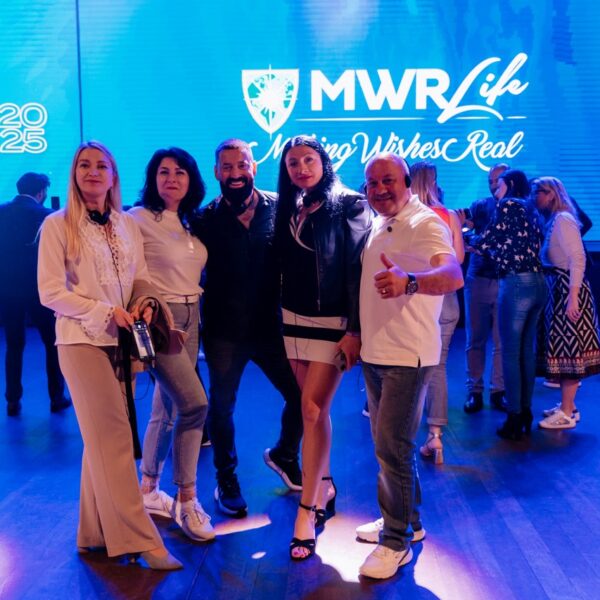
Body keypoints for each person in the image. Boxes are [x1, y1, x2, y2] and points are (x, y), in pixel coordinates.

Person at [37, 141, 182, 570]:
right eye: (84, 165)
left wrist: (144, 304)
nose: (93, 171)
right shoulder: (57, 224)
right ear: (74, 173)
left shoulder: (126, 224)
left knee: (99, 440)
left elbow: (141, 278)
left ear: (113, 176)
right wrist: (104, 311)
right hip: (80, 341)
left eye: (102, 165)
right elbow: (49, 292)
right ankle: (141, 540)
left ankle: (94, 532)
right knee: (116, 438)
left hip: (122, 343)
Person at [356, 153, 463, 579]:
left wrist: (412, 282)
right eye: (372, 183)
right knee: (390, 447)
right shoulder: (380, 221)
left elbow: (453, 274)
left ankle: (395, 541)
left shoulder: (425, 223)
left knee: (392, 448)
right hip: (377, 352)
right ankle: (407, 522)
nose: (380, 189)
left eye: (388, 181)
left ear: (405, 181)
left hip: (407, 355)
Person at [191, 139, 304, 518]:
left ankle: (284, 454)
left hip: (271, 328)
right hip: (223, 332)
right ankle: (226, 480)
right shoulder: (203, 219)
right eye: (227, 167)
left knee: (302, 398)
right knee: (221, 409)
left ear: (254, 167)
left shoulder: (281, 207)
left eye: (242, 165)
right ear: (216, 172)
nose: (235, 173)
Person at [274, 135, 372, 560]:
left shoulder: (349, 203)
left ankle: (306, 510)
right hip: (292, 319)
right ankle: (325, 482)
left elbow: (356, 269)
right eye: (293, 163)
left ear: (324, 162)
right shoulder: (290, 205)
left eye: (308, 160)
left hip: (333, 322)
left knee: (312, 410)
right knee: (311, 411)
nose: (301, 168)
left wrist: (355, 328)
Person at [130, 147, 214, 541]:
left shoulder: (191, 221)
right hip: (161, 319)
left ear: (191, 179)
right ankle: (186, 498)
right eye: (163, 172)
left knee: (166, 409)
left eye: (180, 172)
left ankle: (148, 489)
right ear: (153, 178)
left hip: (193, 313)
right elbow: (132, 273)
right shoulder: (137, 218)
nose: (171, 179)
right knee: (195, 405)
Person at [470, 169, 546, 439]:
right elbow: (512, 246)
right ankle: (525, 411)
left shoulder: (508, 204)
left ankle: (514, 416)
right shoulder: (531, 208)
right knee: (526, 352)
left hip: (516, 285)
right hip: (538, 282)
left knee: (511, 354)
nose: (495, 190)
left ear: (510, 184)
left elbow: (486, 240)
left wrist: (466, 237)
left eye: (499, 185)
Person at [0, 172, 69, 416]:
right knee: (52, 343)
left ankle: (12, 400)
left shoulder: (1, 212)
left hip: (7, 290)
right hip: (40, 290)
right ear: (41, 193)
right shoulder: (47, 216)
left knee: (14, 345)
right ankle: (56, 397)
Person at [409, 161, 464, 465]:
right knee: (438, 366)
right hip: (448, 298)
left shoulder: (408, 216)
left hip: (417, 298)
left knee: (411, 366)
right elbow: (458, 258)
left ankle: (401, 432)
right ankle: (435, 435)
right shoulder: (449, 215)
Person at [534, 177, 600, 428]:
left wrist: (573, 299)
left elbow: (577, 258)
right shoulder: (554, 220)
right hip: (558, 289)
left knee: (569, 351)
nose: (534, 197)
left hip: (568, 290)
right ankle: (568, 406)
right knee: (560, 351)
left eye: (538, 192)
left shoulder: (563, 220)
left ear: (551, 194)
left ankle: (567, 412)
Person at [457, 164, 508, 414]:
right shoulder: (480, 205)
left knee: (501, 340)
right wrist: (468, 240)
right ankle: (474, 391)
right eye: (490, 180)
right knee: (475, 339)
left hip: (505, 279)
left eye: (497, 180)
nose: (493, 184)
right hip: (478, 278)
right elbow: (461, 228)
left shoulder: (518, 208)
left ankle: (499, 391)